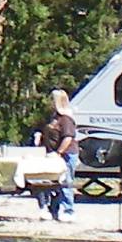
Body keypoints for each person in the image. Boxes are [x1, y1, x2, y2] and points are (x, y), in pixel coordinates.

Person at [36, 88, 78, 221]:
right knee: (49, 182)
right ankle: (52, 209)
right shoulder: (53, 117)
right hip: (51, 154)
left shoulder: (66, 119)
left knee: (66, 181)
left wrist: (59, 152)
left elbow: (68, 138)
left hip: (66, 154)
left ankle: (69, 210)